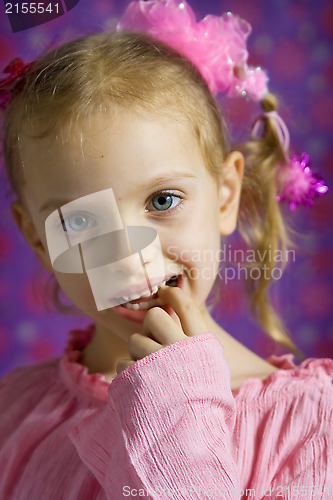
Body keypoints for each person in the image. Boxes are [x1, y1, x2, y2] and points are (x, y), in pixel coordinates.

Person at [0, 1, 332, 498]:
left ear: (225, 196)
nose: (128, 257)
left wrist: (176, 403)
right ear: (39, 239)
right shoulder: (13, 408)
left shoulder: (311, 427)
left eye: (162, 200)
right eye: (81, 221)